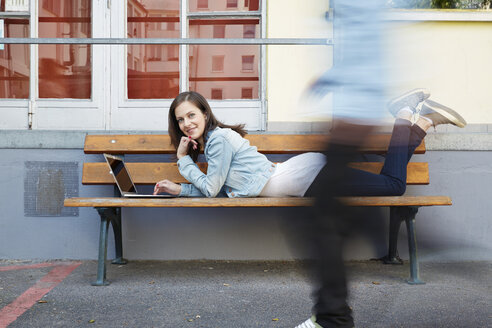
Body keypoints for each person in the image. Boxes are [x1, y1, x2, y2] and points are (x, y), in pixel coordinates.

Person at [153, 90, 466, 200]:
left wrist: (184, 162)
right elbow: (217, 188)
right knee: (392, 182)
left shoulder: (218, 140)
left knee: (395, 185)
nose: (187, 124)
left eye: (191, 115)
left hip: (308, 178)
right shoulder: (214, 144)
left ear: (205, 113)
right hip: (306, 176)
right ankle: (422, 123)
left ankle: (402, 114)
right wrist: (179, 189)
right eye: (180, 120)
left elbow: (210, 189)